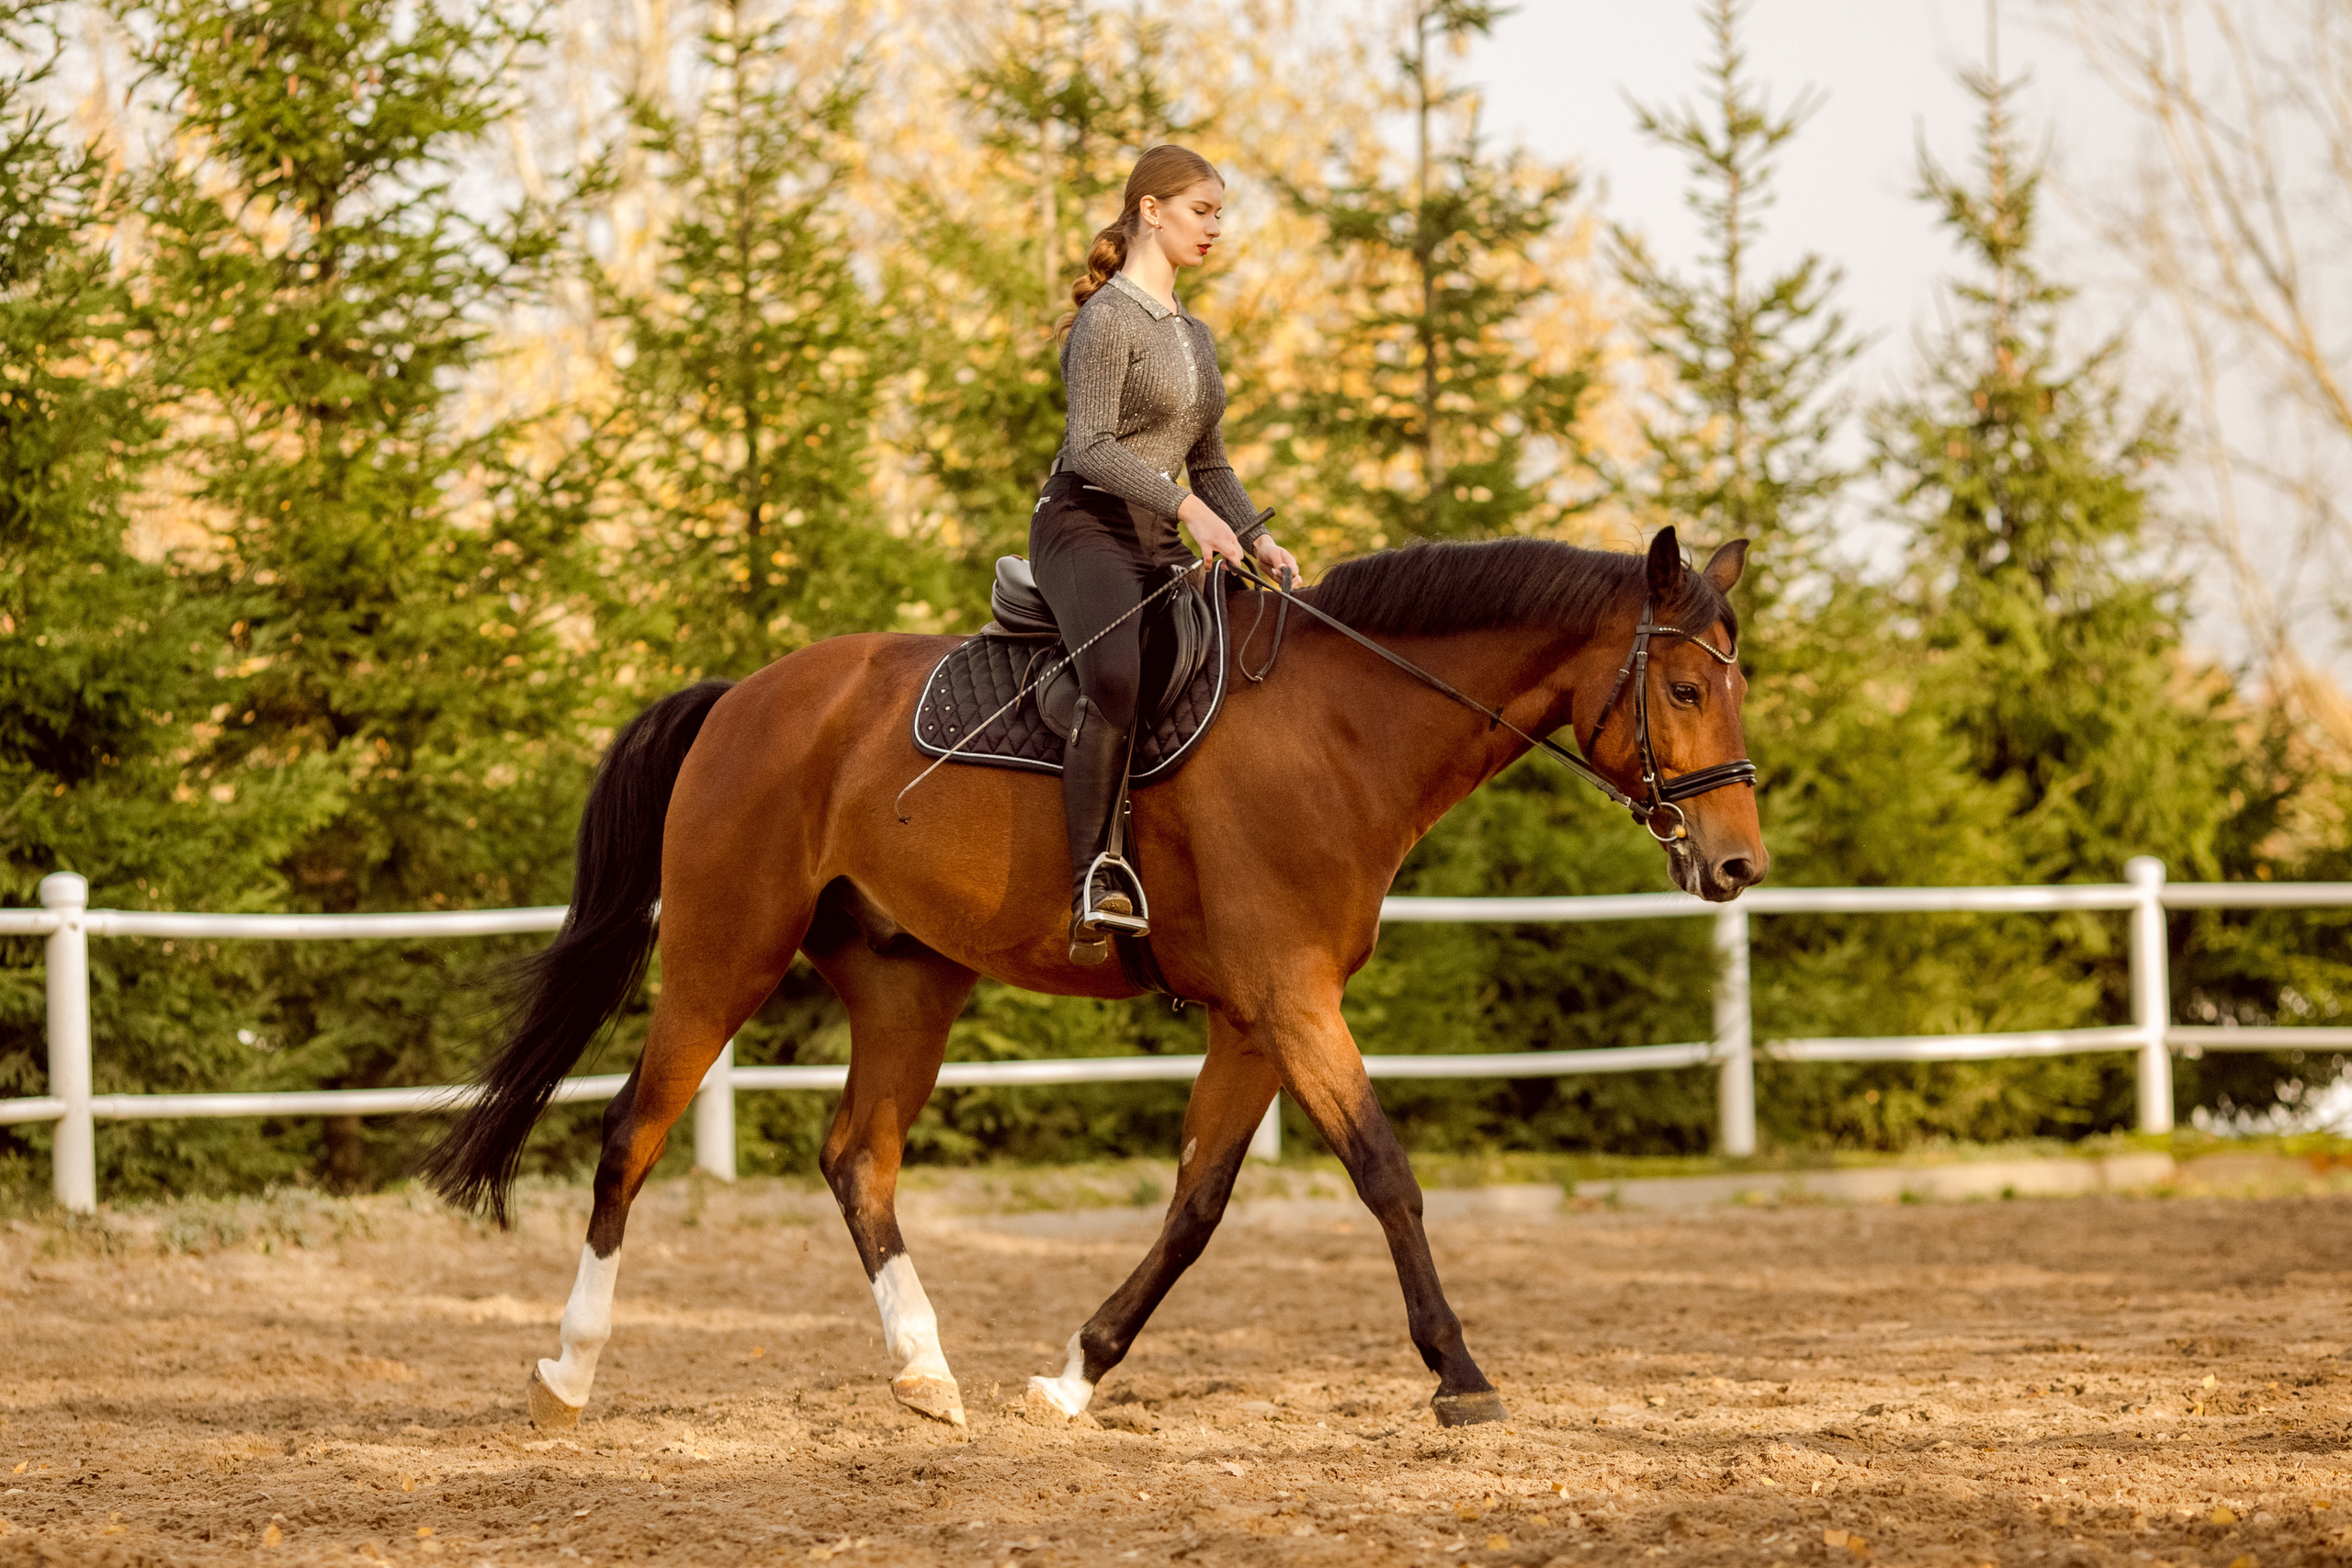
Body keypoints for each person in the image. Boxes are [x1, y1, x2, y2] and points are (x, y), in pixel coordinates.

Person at [1035, 142, 1300, 966]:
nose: (1215, 228)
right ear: (1151, 210)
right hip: (1083, 527)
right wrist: (1187, 506)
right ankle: (1095, 876)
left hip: (1156, 536)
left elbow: (1210, 461)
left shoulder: (1197, 335)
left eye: (1220, 213)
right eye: (1202, 210)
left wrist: (1254, 531)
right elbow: (1092, 447)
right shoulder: (1110, 316)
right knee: (1116, 673)